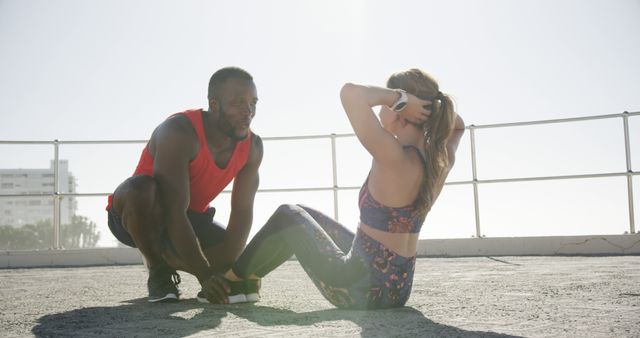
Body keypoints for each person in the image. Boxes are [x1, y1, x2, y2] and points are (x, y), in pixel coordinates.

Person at [214, 68, 465, 309]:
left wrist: (400, 98)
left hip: (359, 290)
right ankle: (248, 278)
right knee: (302, 212)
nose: (379, 111)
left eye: (385, 105)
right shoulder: (440, 161)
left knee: (287, 214)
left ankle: (231, 281)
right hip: (398, 291)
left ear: (400, 110)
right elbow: (458, 126)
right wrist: (430, 108)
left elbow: (351, 93)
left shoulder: (393, 156)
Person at [106, 66, 263, 303]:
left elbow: (242, 213)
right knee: (140, 188)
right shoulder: (179, 131)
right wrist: (205, 275)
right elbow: (173, 211)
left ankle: (170, 256)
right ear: (215, 104)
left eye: (253, 102)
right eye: (238, 103)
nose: (248, 111)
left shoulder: (253, 147)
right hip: (142, 214)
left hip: (192, 217)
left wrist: (230, 269)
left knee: (230, 257)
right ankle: (159, 269)